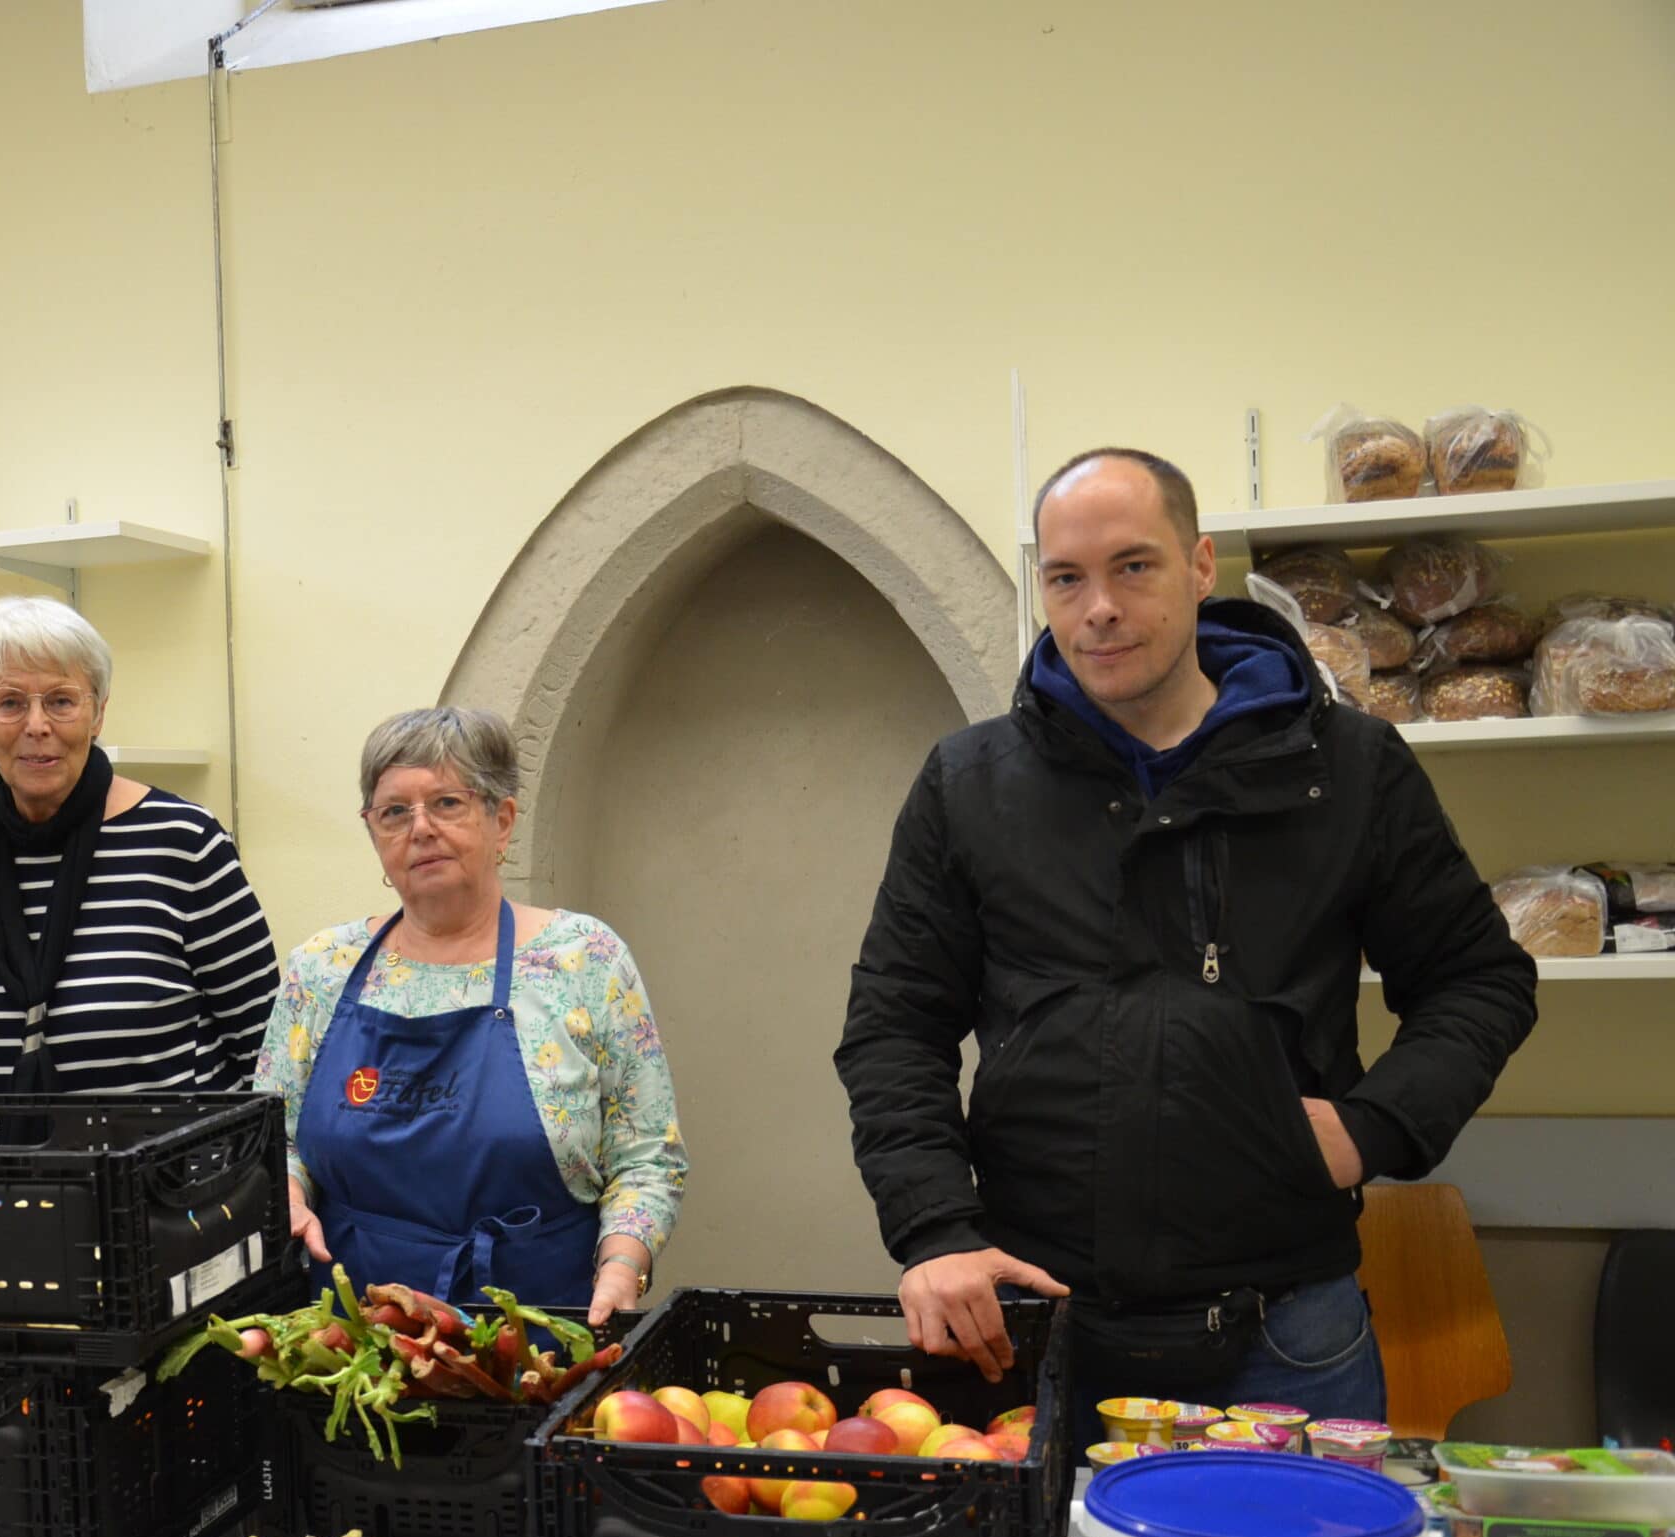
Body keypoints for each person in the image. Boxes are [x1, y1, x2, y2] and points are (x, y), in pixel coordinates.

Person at [835, 448, 1536, 1439]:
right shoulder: (969, 782)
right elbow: (892, 1028)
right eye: (1066, 578)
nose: (1099, 608)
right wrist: (933, 1230)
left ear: (1200, 565)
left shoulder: (1345, 770)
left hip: (1286, 1333)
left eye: (1133, 567)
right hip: (1039, 1329)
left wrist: (1378, 1125)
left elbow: (1478, 979)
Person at [256, 706, 687, 1327]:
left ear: (502, 820)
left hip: (540, 1329)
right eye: (394, 811)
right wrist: (287, 1196)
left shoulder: (584, 959)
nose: (420, 828)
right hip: (354, 1336)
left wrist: (622, 1268)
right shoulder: (321, 969)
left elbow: (648, 1155)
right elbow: (274, 1141)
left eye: (447, 803)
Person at [0, 596, 276, 1096]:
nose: (37, 726)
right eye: (9, 702)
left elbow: (266, 1050)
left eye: (61, 701)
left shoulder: (185, 844)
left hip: (171, 1170)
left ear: (99, 710)